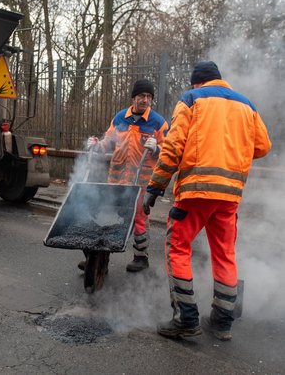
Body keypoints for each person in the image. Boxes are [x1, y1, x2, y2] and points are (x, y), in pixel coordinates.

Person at [143, 61, 272, 341]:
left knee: (177, 248)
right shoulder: (247, 105)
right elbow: (263, 146)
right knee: (224, 254)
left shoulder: (191, 100)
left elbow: (173, 147)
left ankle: (186, 319)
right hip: (229, 196)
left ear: (196, 83)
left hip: (196, 191)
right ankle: (222, 322)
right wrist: (233, 151)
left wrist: (155, 186)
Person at [80, 79, 169, 272]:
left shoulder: (158, 123)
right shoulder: (120, 118)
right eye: (141, 96)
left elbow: (171, 151)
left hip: (142, 183)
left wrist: (158, 148)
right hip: (116, 180)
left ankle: (141, 257)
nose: (145, 100)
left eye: (148, 97)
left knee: (139, 218)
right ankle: (100, 257)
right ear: (133, 98)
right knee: (108, 215)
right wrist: (96, 146)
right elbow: (107, 143)